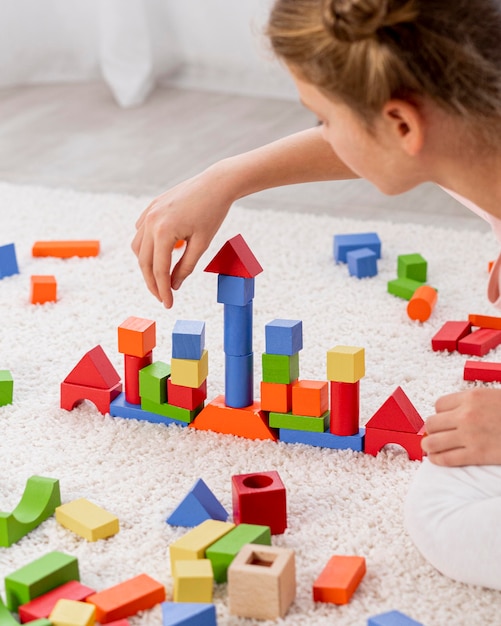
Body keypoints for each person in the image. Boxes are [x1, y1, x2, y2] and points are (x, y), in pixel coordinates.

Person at [132, 0, 501, 589]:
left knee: (445, 515)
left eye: (323, 118)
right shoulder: (474, 136)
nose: (323, 133)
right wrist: (228, 177)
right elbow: (380, 137)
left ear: (402, 124)